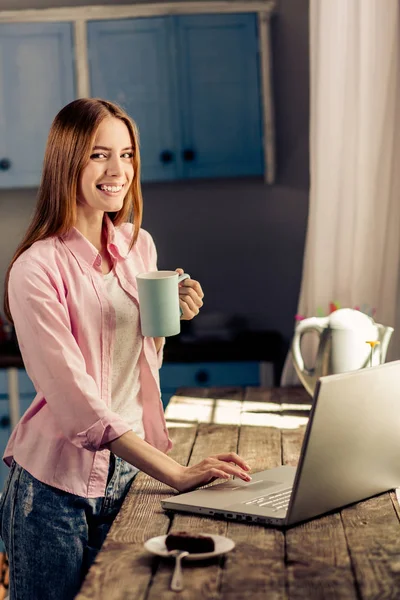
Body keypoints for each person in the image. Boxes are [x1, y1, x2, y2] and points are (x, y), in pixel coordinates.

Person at [0, 98, 251, 600]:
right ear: (66, 162)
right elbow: (77, 405)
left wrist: (172, 314)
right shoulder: (36, 268)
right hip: (53, 492)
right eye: (98, 155)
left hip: (130, 471)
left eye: (128, 154)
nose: (118, 170)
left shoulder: (140, 245)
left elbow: (137, 358)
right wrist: (177, 474)